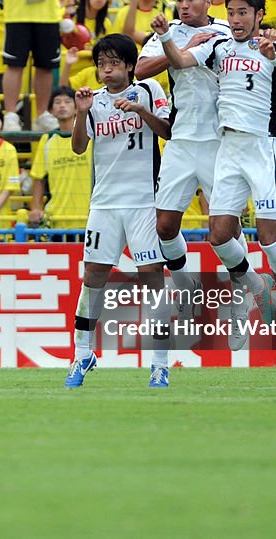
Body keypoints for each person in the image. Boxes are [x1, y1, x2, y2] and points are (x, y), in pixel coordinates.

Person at [154, 0, 276, 351]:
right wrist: (168, 36)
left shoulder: (266, 43)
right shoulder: (214, 44)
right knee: (214, 234)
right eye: (232, 12)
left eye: (243, 12)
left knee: (264, 236)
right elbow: (180, 61)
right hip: (218, 144)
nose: (236, 19)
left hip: (260, 147)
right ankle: (254, 287)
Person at [62, 33, 171, 389]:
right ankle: (82, 354)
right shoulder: (92, 101)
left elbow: (168, 131)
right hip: (104, 203)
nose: (106, 70)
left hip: (143, 200)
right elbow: (79, 148)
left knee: (152, 277)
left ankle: (160, 363)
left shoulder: (149, 90)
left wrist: (142, 111)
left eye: (113, 63)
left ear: (128, 65)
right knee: (93, 277)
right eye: (101, 64)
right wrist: (80, 115)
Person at [137, 0, 232, 324]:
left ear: (209, 1)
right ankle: (184, 284)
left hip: (219, 140)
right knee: (164, 226)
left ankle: (242, 292)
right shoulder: (171, 32)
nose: (184, 5)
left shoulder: (226, 29)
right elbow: (140, 70)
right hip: (180, 139)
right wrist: (179, 46)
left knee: (225, 229)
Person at [28, 87, 92, 231]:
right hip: (56, 219)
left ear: (77, 108)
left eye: (67, 102)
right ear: (51, 111)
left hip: (89, 217)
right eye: (57, 102)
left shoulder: (91, 137)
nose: (62, 105)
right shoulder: (47, 139)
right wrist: (36, 208)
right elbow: (38, 178)